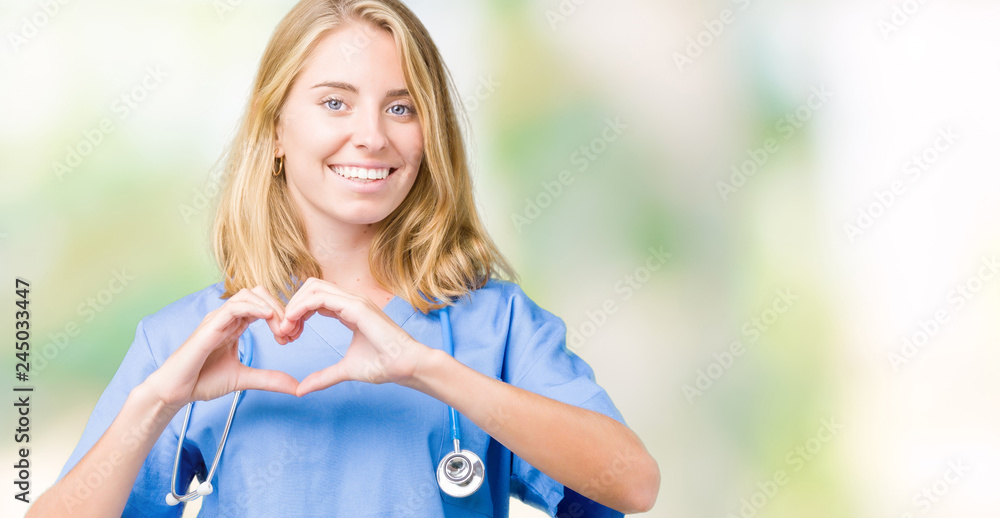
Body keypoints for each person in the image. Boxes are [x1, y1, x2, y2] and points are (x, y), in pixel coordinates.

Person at [28, 0, 659, 516]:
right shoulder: (188, 341)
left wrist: (429, 369)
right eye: (335, 102)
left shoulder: (494, 327)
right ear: (275, 129)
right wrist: (156, 404)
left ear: (429, 133)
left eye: (402, 107)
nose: (373, 135)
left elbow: (633, 484)